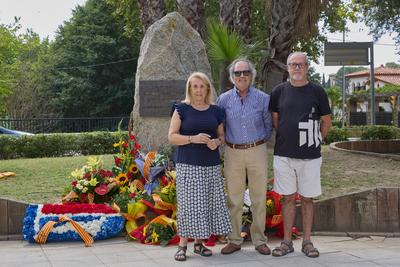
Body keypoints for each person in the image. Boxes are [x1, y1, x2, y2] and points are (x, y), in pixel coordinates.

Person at [268, 52, 332, 258]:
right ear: (287, 67)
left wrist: (316, 139)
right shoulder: (278, 91)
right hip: (284, 154)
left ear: (306, 67)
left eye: (301, 64)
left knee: (307, 199)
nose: (297, 68)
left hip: (310, 156)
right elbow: (276, 120)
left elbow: (327, 121)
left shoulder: (317, 91)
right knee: (287, 198)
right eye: (293, 64)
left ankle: (307, 242)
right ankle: (286, 242)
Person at [168, 72, 232, 261]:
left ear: (207, 89)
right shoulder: (181, 109)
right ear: (189, 89)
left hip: (210, 165)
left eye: (202, 86)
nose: (198, 90)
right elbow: (171, 136)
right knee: (189, 205)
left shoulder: (216, 110)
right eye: (194, 86)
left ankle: (198, 244)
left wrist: (217, 142)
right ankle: (182, 246)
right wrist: (192, 139)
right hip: (188, 164)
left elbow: (222, 136)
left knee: (204, 204)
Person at [217, 58, 273, 255]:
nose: (242, 76)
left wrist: (257, 143)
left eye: (246, 72)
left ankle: (259, 240)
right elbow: (219, 126)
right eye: (238, 73)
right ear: (232, 77)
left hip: (257, 150)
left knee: (259, 197)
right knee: (234, 198)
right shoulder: (223, 99)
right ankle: (234, 239)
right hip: (232, 152)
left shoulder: (263, 99)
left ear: (252, 75)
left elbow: (268, 126)